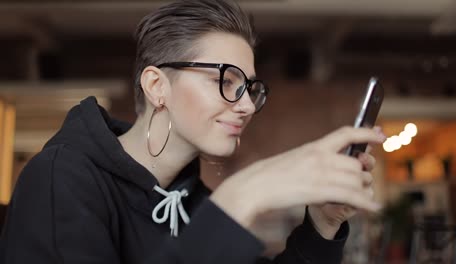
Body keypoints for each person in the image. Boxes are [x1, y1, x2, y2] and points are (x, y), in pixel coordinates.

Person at [0, 0, 386, 263]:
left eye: (250, 87)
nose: (248, 105)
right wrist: (241, 196)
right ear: (156, 87)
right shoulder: (60, 180)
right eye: (227, 79)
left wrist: (322, 223)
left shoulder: (193, 201)